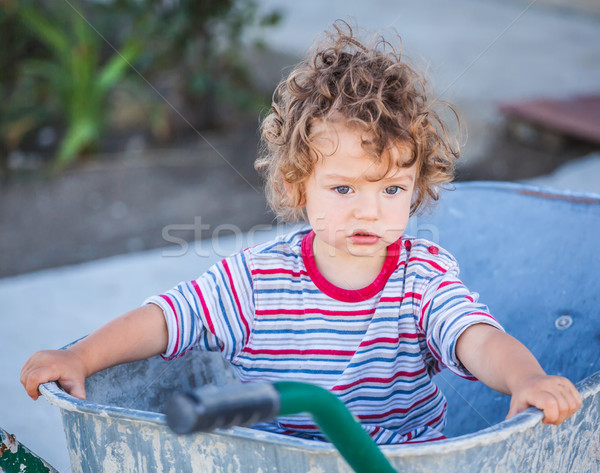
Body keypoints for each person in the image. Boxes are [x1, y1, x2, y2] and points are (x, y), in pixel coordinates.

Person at [21, 21, 581, 445]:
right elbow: (169, 318)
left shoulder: (421, 277)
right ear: (297, 188)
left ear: (416, 188)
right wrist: (84, 358)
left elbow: (477, 338)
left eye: (390, 190)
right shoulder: (258, 280)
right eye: (343, 190)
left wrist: (526, 378)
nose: (369, 212)